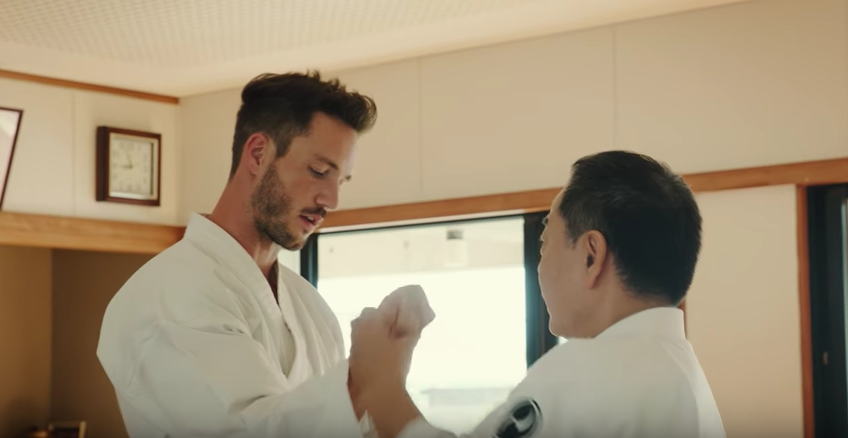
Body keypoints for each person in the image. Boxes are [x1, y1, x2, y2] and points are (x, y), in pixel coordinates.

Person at [97, 70, 427, 438]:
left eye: (341, 181)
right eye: (319, 171)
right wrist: (363, 381)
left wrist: (382, 374)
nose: (332, 200)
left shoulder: (312, 308)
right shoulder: (166, 296)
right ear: (258, 154)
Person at [347, 150, 727, 438]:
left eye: (544, 244)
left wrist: (380, 382)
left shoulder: (589, 370)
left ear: (591, 256)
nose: (540, 267)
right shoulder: (682, 375)